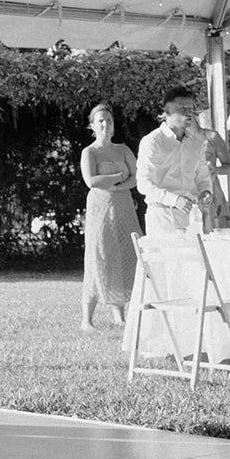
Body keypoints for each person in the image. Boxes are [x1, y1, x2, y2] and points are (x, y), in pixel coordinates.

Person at [79, 103, 138, 329]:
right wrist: (117, 177)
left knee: (124, 254)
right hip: (100, 208)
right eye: (100, 120)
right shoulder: (90, 152)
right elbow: (91, 181)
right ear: (93, 125)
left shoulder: (123, 150)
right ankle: (87, 319)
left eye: (109, 120)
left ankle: (119, 315)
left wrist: (119, 185)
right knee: (99, 256)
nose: (105, 124)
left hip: (123, 207)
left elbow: (136, 176)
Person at [136, 86, 214, 234]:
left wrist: (205, 192)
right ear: (167, 110)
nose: (188, 113)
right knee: (167, 258)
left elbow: (203, 177)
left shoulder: (196, 144)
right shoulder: (152, 142)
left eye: (190, 108)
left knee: (196, 257)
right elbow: (143, 184)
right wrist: (173, 199)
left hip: (191, 217)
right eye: (182, 108)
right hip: (162, 217)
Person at [196, 109, 230, 229]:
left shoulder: (211, 136)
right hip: (187, 191)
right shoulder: (175, 139)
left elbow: (229, 167)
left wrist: (215, 170)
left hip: (211, 190)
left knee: (217, 233)